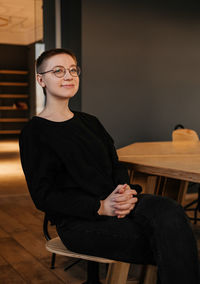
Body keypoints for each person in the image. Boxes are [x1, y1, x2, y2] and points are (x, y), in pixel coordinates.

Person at [19, 48, 199, 284]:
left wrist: (124, 192)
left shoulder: (90, 122)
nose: (68, 76)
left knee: (171, 212)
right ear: (41, 79)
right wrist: (101, 206)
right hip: (79, 220)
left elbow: (114, 164)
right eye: (58, 71)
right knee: (169, 239)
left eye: (73, 70)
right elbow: (44, 196)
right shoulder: (35, 132)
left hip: (120, 202)